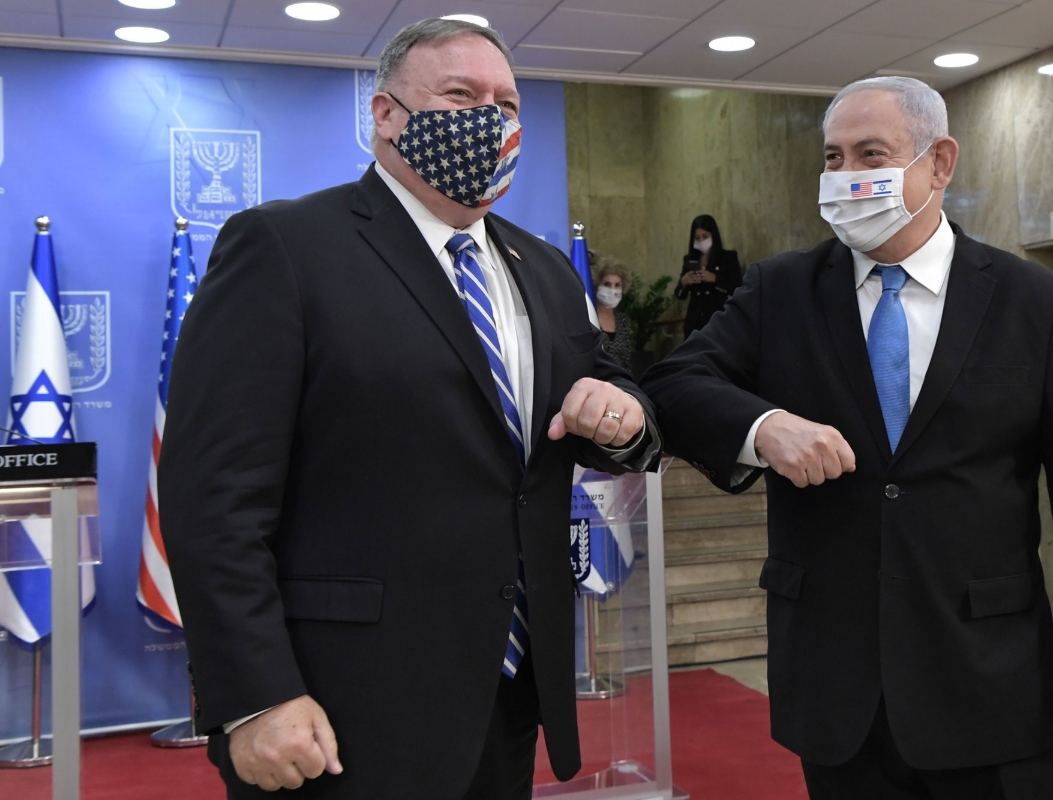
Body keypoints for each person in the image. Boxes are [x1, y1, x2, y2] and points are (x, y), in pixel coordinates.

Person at [158, 18, 661, 800]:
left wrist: (624, 415)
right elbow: (213, 496)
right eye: (461, 95)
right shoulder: (285, 246)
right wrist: (254, 693)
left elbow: (611, 395)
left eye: (506, 102)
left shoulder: (548, 269)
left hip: (508, 694)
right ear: (386, 115)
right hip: (340, 707)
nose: (489, 118)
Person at [640, 76, 1053, 799]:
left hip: (988, 682)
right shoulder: (780, 291)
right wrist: (764, 427)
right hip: (838, 686)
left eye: (870, 154)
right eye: (833, 157)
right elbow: (672, 385)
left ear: (940, 162)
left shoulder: (1032, 302)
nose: (846, 176)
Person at [674, 214, 741, 337]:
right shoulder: (690, 259)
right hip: (694, 321)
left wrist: (715, 279)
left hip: (717, 318)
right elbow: (680, 295)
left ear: (713, 236)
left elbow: (737, 286)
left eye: (705, 236)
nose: (701, 241)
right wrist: (683, 282)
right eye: (697, 237)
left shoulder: (727, 258)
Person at [593, 259, 634, 372]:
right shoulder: (589, 316)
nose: (612, 290)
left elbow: (626, 361)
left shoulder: (623, 320)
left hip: (619, 381)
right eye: (607, 284)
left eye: (617, 285)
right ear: (597, 285)